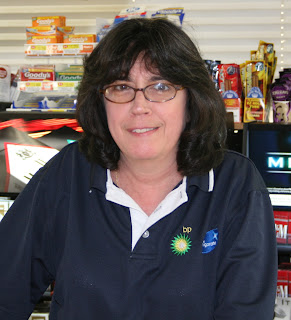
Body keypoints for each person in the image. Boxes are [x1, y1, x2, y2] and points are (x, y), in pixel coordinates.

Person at [0, 18, 277, 320]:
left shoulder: (234, 185)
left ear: (191, 99)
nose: (139, 106)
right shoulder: (69, 172)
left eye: (160, 86)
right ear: (100, 100)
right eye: (121, 87)